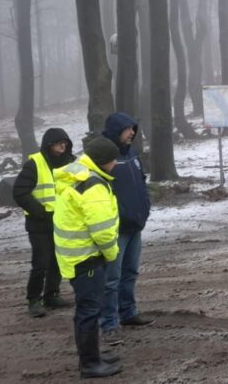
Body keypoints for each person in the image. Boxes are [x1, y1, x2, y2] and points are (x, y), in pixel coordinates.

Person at [53, 137, 123, 378]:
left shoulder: (79, 176)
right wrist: (112, 253)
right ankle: (90, 364)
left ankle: (92, 356)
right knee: (89, 311)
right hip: (87, 258)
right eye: (113, 159)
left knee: (88, 309)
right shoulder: (94, 186)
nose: (116, 163)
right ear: (103, 161)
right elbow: (102, 229)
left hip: (77, 256)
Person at [100, 112, 153, 345]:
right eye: (128, 129)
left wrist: (145, 208)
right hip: (115, 229)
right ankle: (109, 323)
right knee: (111, 278)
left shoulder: (132, 154)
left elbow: (141, 182)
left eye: (133, 128)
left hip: (135, 225)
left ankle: (128, 313)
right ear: (115, 130)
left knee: (130, 273)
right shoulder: (103, 158)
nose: (132, 133)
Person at [13, 128, 75, 317]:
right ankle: (34, 300)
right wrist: (40, 212)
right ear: (49, 144)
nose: (63, 146)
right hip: (39, 224)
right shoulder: (35, 164)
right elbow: (20, 192)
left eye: (65, 143)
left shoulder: (72, 163)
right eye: (59, 143)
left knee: (57, 261)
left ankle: (51, 295)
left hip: (62, 222)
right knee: (41, 263)